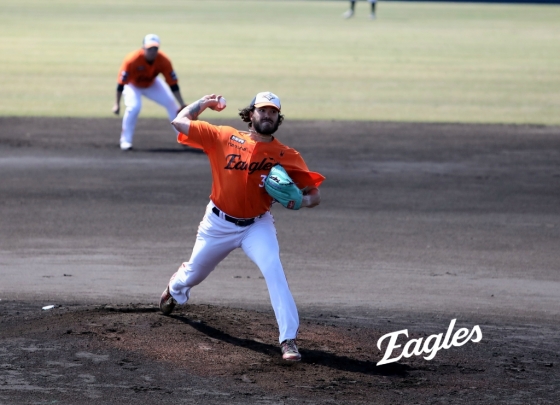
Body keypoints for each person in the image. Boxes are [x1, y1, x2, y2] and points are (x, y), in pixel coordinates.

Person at [159, 92, 325, 361]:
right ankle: (175, 290)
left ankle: (288, 339)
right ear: (251, 114)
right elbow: (179, 121)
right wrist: (204, 104)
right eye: (262, 110)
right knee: (194, 274)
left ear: (278, 118)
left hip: (257, 226)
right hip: (218, 223)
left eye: (272, 112)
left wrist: (301, 202)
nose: (267, 115)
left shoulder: (285, 154)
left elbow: (315, 196)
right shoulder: (223, 136)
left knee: (274, 269)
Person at [112, 34, 187, 151]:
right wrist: (117, 104)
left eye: (155, 48)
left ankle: (183, 137)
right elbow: (121, 83)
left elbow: (173, 83)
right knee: (134, 107)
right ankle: (125, 141)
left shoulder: (163, 60)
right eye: (149, 48)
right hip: (133, 85)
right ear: (143, 48)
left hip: (152, 84)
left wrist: (182, 104)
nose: (152, 51)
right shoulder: (132, 59)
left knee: (171, 104)